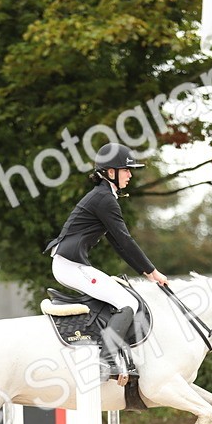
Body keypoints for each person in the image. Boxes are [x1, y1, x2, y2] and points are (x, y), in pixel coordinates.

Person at [43, 143, 169, 385]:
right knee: (128, 301)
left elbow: (119, 244)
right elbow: (125, 240)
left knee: (119, 295)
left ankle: (113, 353)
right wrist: (152, 272)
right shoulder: (103, 199)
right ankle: (106, 359)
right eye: (126, 170)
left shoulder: (104, 197)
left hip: (68, 264)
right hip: (69, 266)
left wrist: (146, 272)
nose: (131, 175)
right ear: (111, 172)